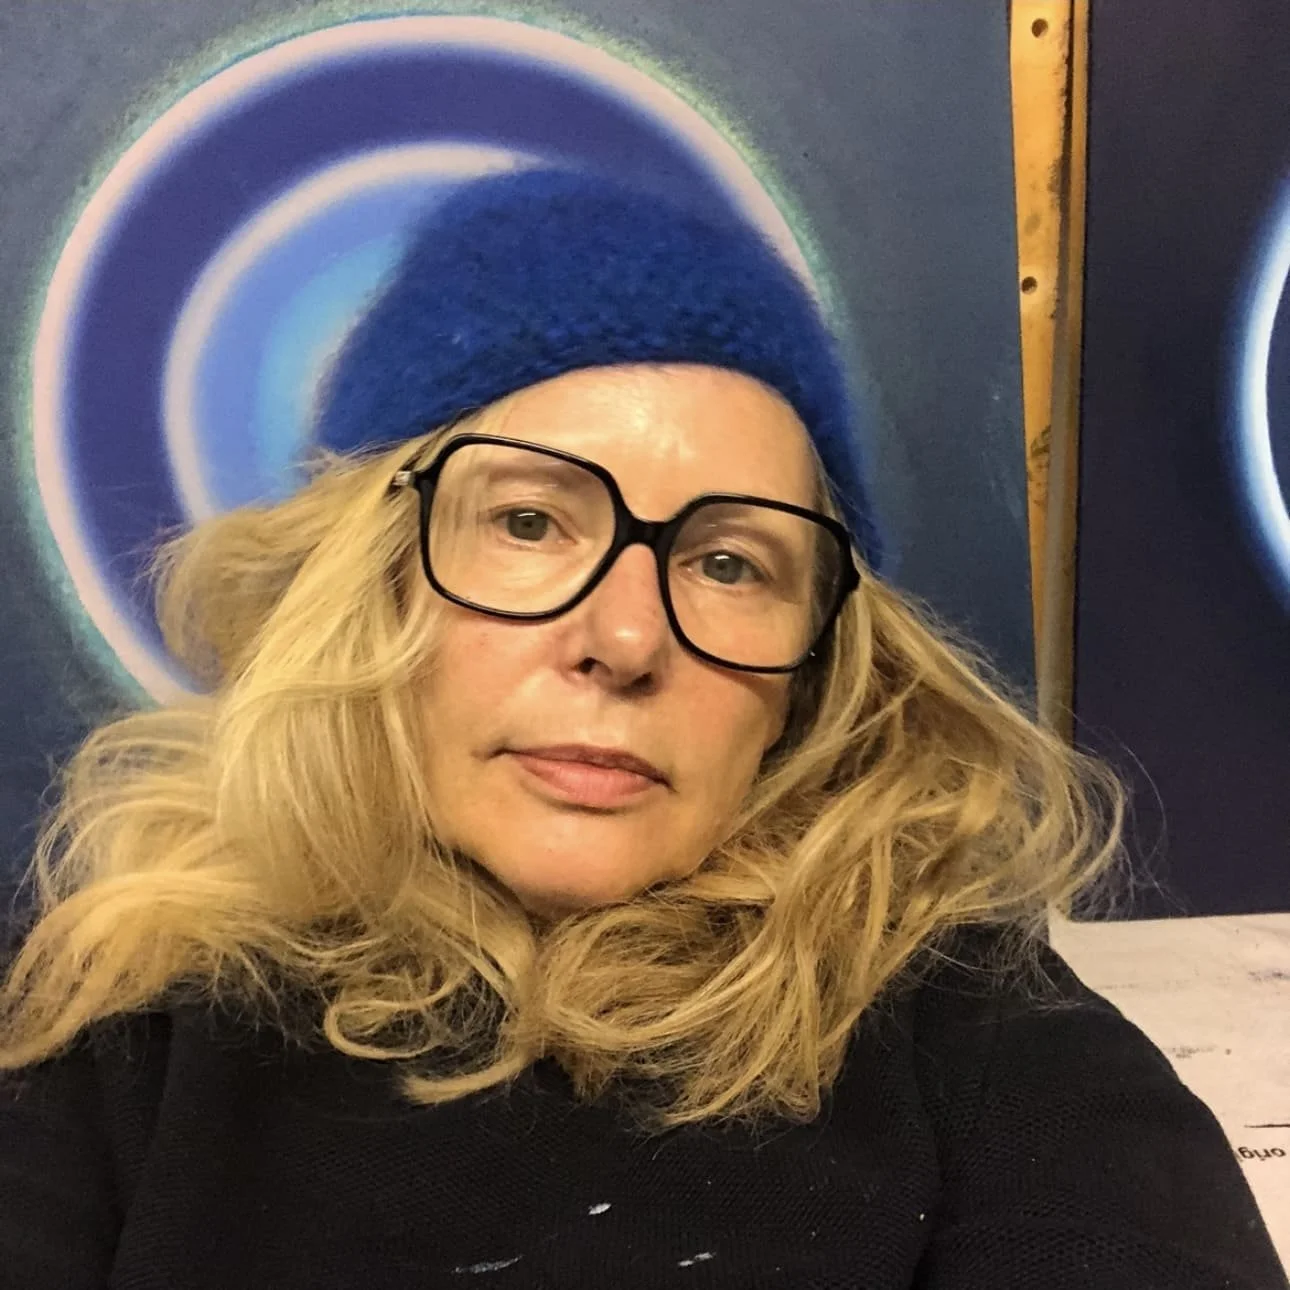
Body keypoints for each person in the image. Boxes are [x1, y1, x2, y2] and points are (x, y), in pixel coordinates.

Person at [0, 168, 1283, 1290]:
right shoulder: (112, 1023)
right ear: (364, 580)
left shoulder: (970, 1028)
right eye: (527, 522)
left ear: (814, 670)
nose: (624, 639)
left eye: (729, 563)